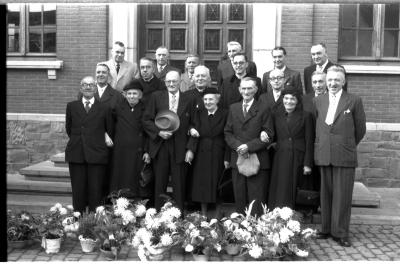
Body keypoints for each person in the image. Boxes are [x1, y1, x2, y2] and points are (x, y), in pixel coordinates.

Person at [314, 65, 366, 247]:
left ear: (343, 82)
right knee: (326, 194)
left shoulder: (354, 100)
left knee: (342, 195)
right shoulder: (319, 100)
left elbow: (360, 129)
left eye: (337, 80)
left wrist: (346, 145)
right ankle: (326, 228)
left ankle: (341, 232)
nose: (333, 83)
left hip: (344, 155)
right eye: (330, 80)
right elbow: (317, 127)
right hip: (324, 153)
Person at [142, 70, 192, 211]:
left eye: (174, 81)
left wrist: (190, 148)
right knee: (160, 183)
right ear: (165, 82)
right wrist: (159, 132)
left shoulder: (188, 99)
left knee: (179, 184)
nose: (171, 84)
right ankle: (159, 215)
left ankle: (179, 215)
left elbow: (194, 123)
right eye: (168, 81)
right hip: (160, 145)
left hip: (180, 147)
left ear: (179, 82)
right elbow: (146, 120)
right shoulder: (156, 97)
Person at [65, 76, 113, 213]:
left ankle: (93, 222)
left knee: (96, 190)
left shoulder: (104, 108)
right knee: (78, 190)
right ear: (81, 88)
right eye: (85, 85)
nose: (88, 87)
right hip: (76, 153)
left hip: (97, 154)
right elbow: (69, 129)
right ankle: (77, 220)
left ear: (95, 88)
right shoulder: (72, 106)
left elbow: (108, 130)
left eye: (91, 85)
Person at [224, 77, 271, 216]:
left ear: (256, 90)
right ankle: (240, 230)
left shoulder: (264, 108)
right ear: (239, 90)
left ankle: (255, 230)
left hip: (257, 158)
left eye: (250, 88)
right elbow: (227, 132)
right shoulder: (233, 108)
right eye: (243, 88)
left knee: (256, 198)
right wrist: (239, 146)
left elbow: (269, 134)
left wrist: (248, 146)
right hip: (237, 158)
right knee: (239, 196)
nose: (246, 91)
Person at [261, 86, 314, 209]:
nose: (289, 101)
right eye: (286, 98)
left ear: (297, 101)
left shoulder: (306, 116)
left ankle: (293, 216)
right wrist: (263, 133)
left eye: (292, 99)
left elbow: (309, 140)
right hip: (280, 156)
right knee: (280, 187)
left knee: (293, 187)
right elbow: (270, 132)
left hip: (298, 157)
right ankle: (277, 214)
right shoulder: (276, 115)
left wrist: (307, 164)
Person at [187, 87, 229, 216]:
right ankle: (204, 215)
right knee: (202, 183)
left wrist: (227, 157)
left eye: (210, 99)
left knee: (218, 183)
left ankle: (217, 215)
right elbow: (192, 128)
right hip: (202, 152)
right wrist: (190, 150)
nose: (208, 102)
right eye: (205, 99)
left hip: (218, 152)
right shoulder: (199, 113)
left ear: (217, 99)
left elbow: (228, 136)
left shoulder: (225, 113)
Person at [109, 79, 150, 198]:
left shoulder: (146, 109)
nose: (132, 96)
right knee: (119, 177)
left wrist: (148, 151)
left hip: (138, 151)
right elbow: (109, 124)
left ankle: (136, 204)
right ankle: (117, 203)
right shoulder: (117, 108)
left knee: (135, 178)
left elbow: (149, 132)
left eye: (135, 93)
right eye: (129, 93)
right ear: (125, 95)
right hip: (120, 151)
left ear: (140, 95)